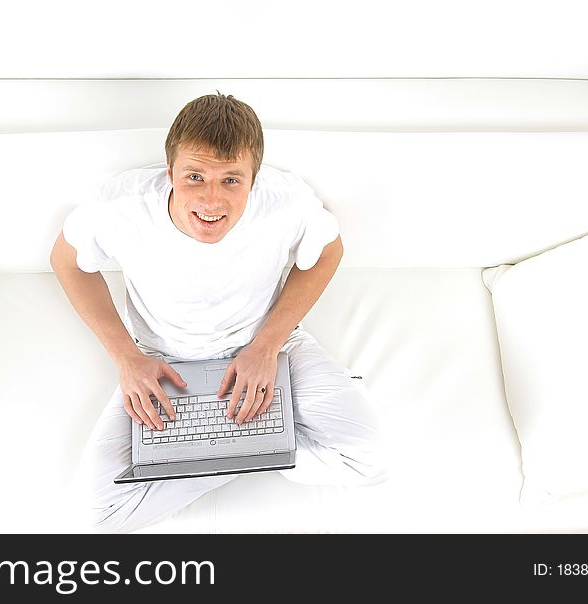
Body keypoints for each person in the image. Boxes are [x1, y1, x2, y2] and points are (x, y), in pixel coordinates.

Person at [50, 92, 385, 533]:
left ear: (253, 179)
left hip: (268, 347)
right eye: (195, 177)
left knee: (369, 460)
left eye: (232, 180)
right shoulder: (121, 205)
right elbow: (67, 261)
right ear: (169, 172)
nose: (212, 200)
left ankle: (238, 444)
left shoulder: (286, 202)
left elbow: (329, 251)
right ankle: (254, 447)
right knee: (98, 513)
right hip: (163, 361)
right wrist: (128, 359)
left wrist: (266, 347)